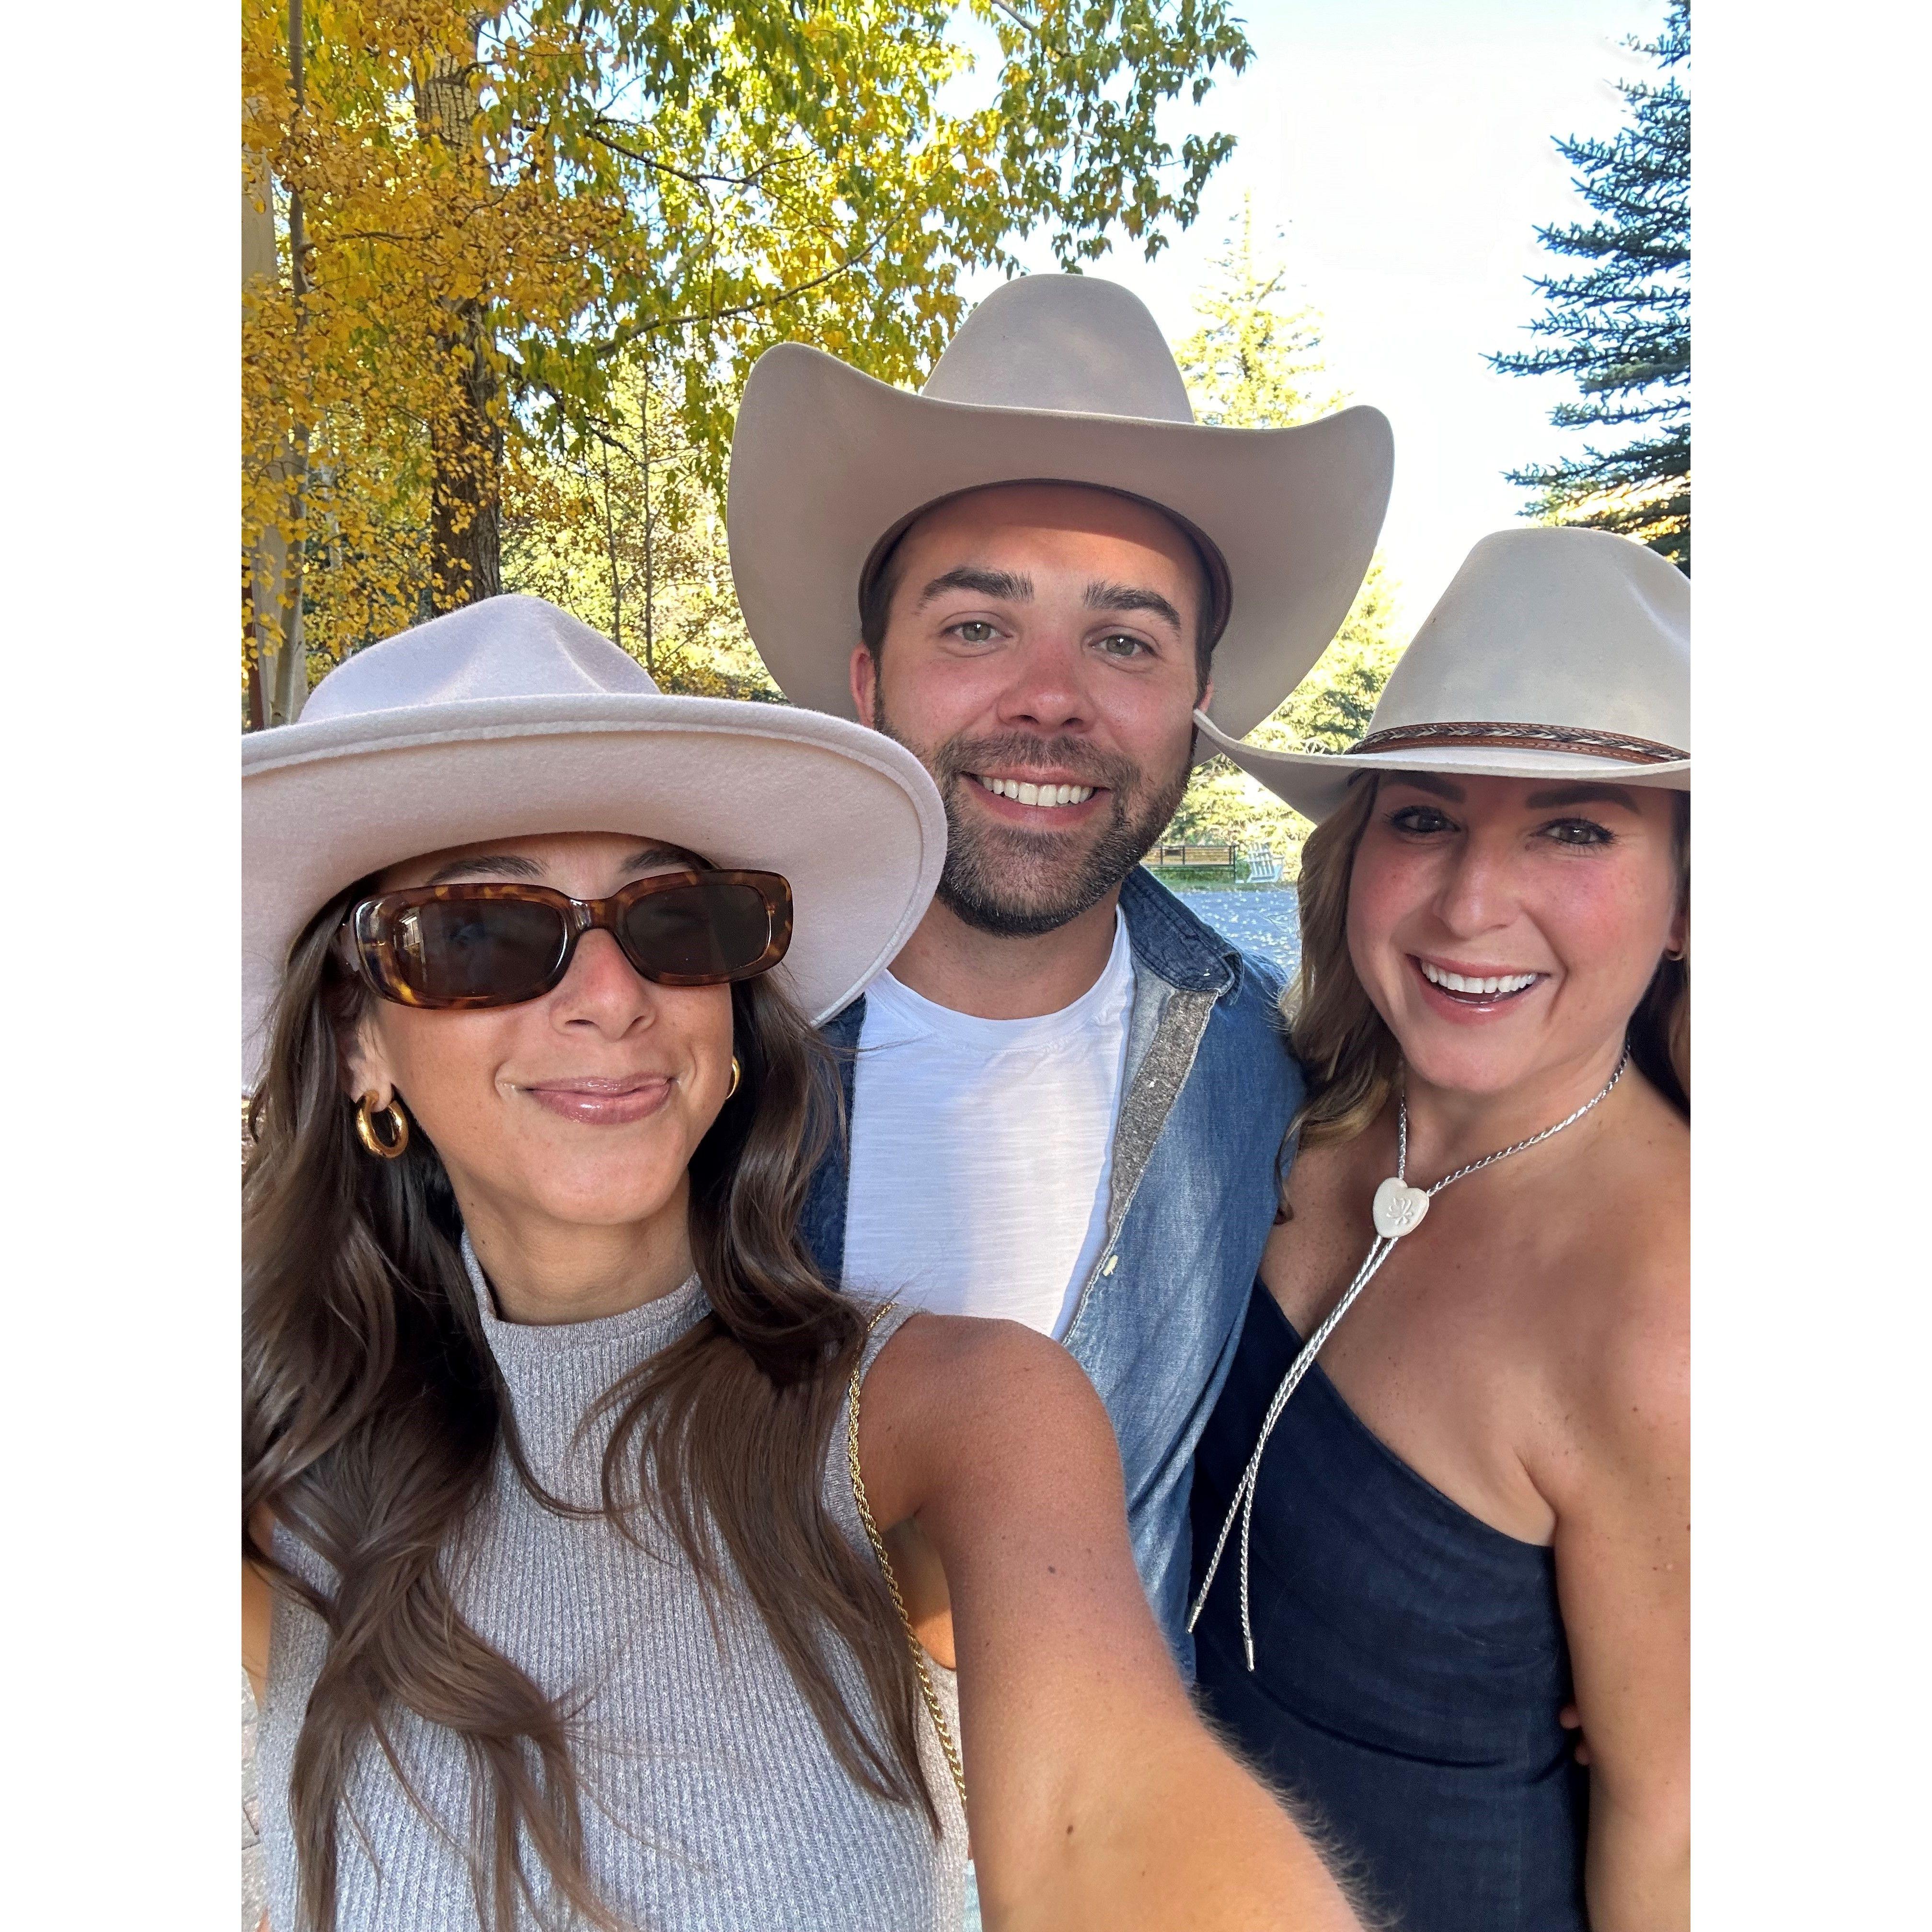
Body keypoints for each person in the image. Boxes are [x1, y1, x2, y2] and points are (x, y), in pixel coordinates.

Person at [241, 596, 1362, 1932]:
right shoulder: (265, 1473)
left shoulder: (960, 1419)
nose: (612, 996)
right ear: (357, 1041)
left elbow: (1108, 1812)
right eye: (481, 931)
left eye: (676, 921)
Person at [725, 271, 1395, 1671]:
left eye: (1125, 641)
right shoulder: (692, 1043)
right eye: (978, 626)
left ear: (1196, 704)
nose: (1051, 698)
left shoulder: (1269, 1079)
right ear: (870, 685)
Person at [1186, 528, 1690, 1932]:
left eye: (1575, 827)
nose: (1471, 903)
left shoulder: (1675, 1309)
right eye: (1423, 817)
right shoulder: (1275, 1111)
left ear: (1691, 904)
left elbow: (1680, 1836)